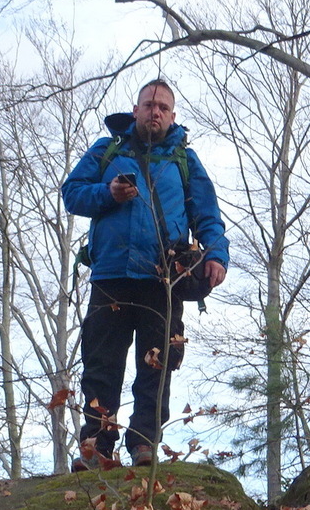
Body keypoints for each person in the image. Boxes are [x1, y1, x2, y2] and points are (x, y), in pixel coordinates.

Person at [62, 79, 228, 470]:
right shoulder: (108, 151)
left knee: (158, 364)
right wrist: (109, 194)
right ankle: (97, 448)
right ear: (135, 110)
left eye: (164, 107)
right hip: (111, 275)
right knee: (102, 364)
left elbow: (208, 216)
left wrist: (216, 255)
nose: (156, 112)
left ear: (173, 116)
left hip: (163, 280)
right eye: (149, 104)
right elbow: (72, 193)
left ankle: (144, 445)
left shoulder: (186, 160)